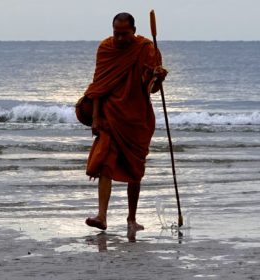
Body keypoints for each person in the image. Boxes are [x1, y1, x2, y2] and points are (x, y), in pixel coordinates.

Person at [83, 12, 167, 232]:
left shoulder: (146, 49)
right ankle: (102, 216)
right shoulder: (105, 48)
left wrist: (157, 77)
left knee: (135, 169)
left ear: (134, 31)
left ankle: (132, 218)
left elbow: (152, 89)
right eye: (116, 33)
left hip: (137, 118)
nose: (119, 38)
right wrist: (95, 118)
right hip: (110, 115)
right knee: (104, 164)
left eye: (124, 34)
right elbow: (98, 85)